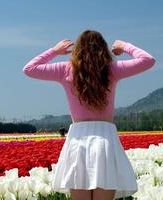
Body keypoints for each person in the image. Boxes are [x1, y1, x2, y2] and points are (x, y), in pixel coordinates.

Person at [23, 30, 155, 200]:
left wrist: (54, 51)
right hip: (105, 141)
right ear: (103, 49)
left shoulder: (65, 69)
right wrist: (124, 46)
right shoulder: (112, 69)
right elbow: (148, 60)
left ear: (77, 49)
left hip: (77, 142)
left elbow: (29, 69)